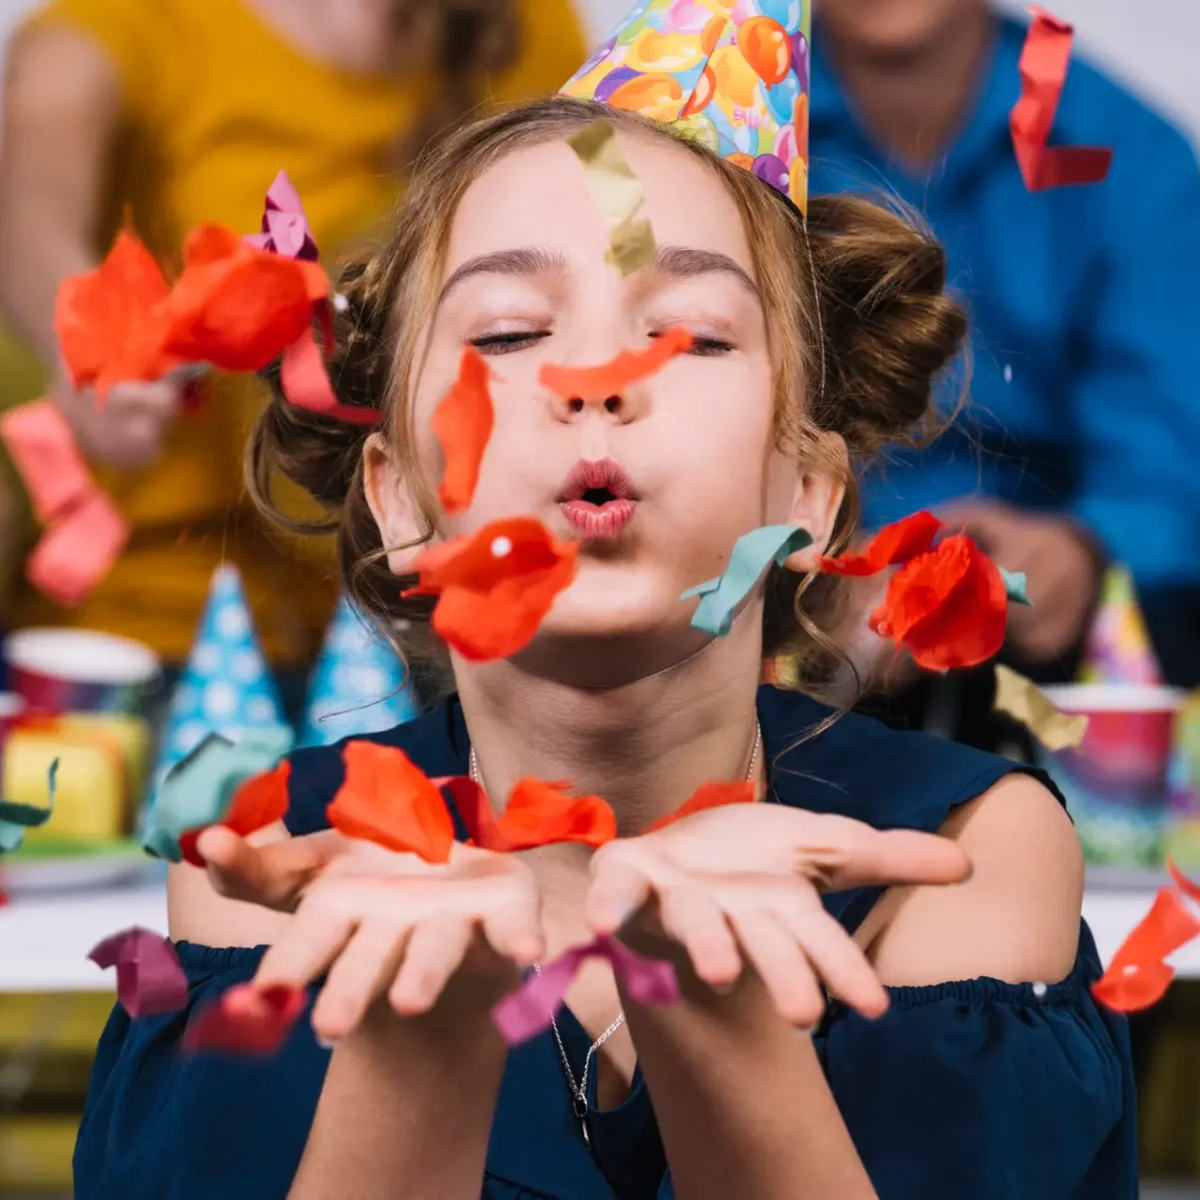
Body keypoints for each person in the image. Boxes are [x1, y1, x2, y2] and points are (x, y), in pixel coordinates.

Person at [72, 53, 1133, 1200]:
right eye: (511, 332)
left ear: (809, 502)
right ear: (398, 497)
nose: (595, 376)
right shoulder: (266, 877)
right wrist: (416, 1048)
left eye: (694, 335)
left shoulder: (968, 858)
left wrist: (716, 1014)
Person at [0, 0, 586, 686]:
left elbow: (625, 206)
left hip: (432, 637)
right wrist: (88, 341)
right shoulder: (116, 30)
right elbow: (30, 207)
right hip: (152, 629)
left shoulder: (535, 28)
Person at [807, 0, 1200, 704]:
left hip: (1049, 608)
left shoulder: (1135, 152)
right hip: (799, 572)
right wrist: (807, 558)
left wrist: (1082, 551)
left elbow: (1167, 461)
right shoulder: (726, 132)